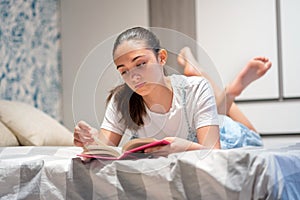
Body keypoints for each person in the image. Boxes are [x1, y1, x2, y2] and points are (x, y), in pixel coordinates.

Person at [73, 27, 272, 156]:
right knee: (203, 96)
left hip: (224, 133)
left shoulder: (195, 88)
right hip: (197, 115)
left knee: (255, 138)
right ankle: (202, 75)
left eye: (141, 64)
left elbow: (214, 153)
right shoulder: (121, 100)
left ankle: (231, 91)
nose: (133, 77)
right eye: (124, 71)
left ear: (161, 58)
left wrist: (182, 147)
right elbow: (105, 150)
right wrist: (91, 141)